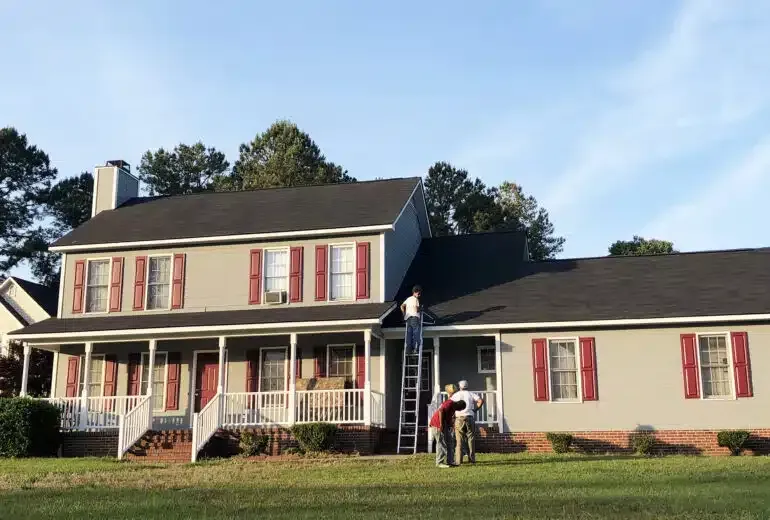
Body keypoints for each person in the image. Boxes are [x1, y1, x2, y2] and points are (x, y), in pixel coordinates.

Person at [450, 380, 484, 464]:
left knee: (459, 440)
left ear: (459, 387)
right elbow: (480, 401)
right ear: (467, 386)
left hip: (459, 418)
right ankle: (472, 460)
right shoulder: (470, 394)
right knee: (471, 439)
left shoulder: (456, 395)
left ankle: (458, 461)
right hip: (469, 417)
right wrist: (475, 410)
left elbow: (449, 404)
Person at [429, 396, 465, 468]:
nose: (459, 410)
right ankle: (439, 462)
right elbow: (441, 411)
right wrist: (441, 425)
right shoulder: (449, 403)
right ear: (458, 405)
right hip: (437, 424)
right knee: (441, 443)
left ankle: (450, 461)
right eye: (460, 409)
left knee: (450, 442)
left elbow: (448, 418)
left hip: (445, 425)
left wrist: (451, 426)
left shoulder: (453, 408)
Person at [400, 285, 422, 355]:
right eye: (418, 293)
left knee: (409, 335)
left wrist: (404, 314)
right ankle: (415, 349)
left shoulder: (408, 299)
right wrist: (420, 309)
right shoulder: (415, 299)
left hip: (408, 319)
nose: (419, 295)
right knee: (416, 334)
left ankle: (408, 350)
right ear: (415, 292)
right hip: (414, 318)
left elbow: (401, 306)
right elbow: (416, 309)